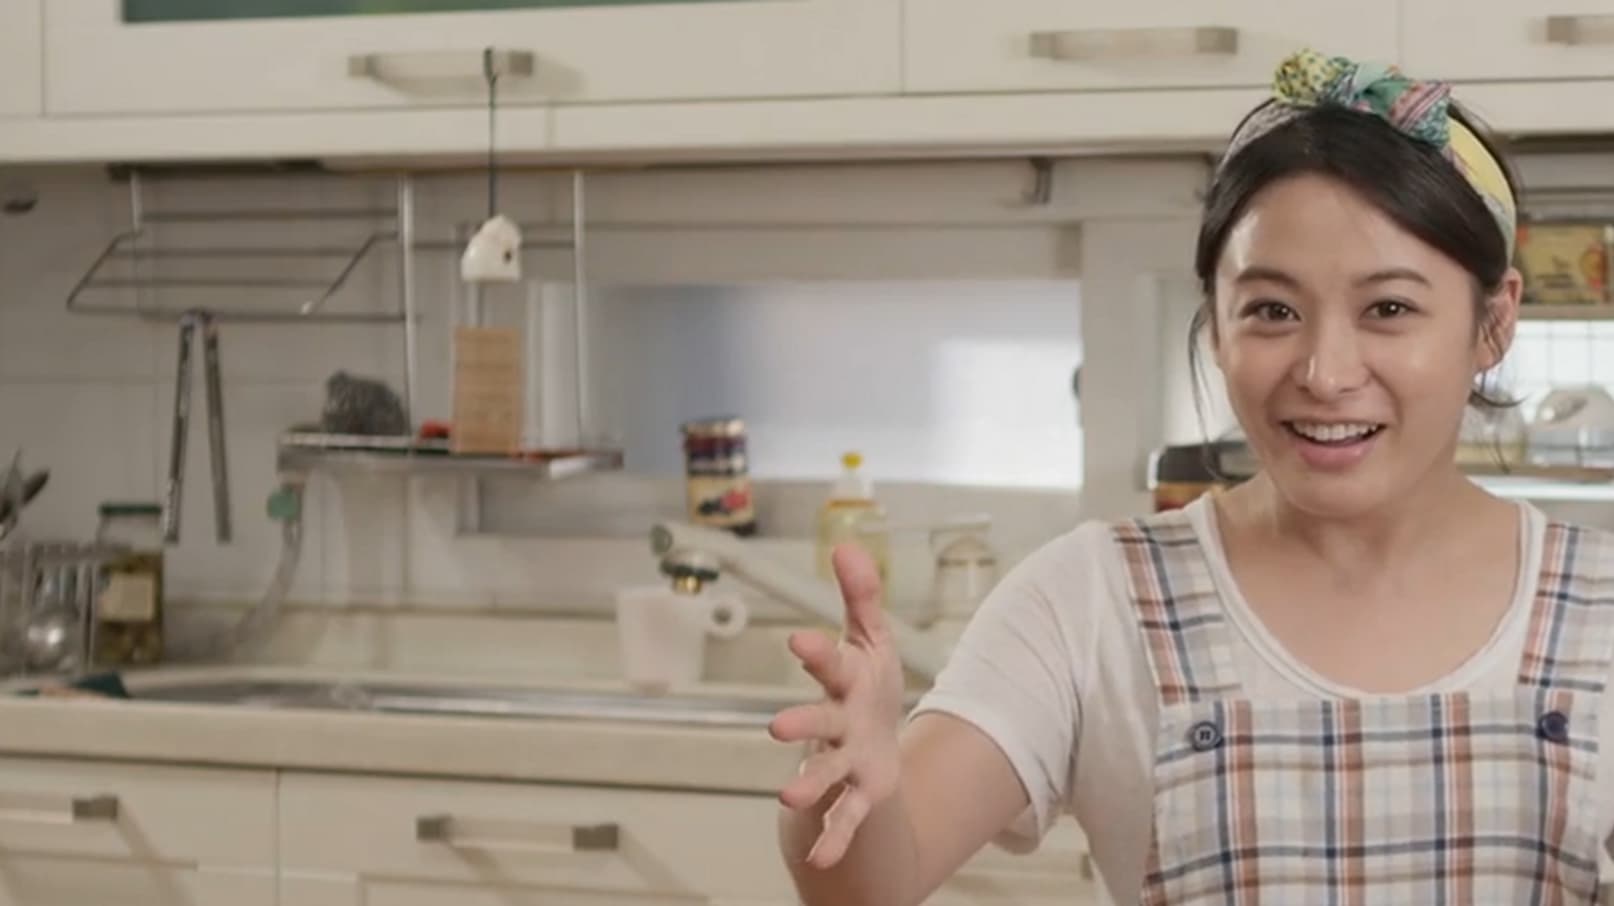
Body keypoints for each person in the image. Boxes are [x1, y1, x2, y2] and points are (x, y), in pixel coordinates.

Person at [767, 47, 1614, 905]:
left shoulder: (1601, 607)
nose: (1325, 373)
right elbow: (866, 888)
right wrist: (848, 779)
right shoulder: (1091, 600)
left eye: (1388, 309)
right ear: (1215, 323)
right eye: (1272, 310)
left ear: (1494, 322)